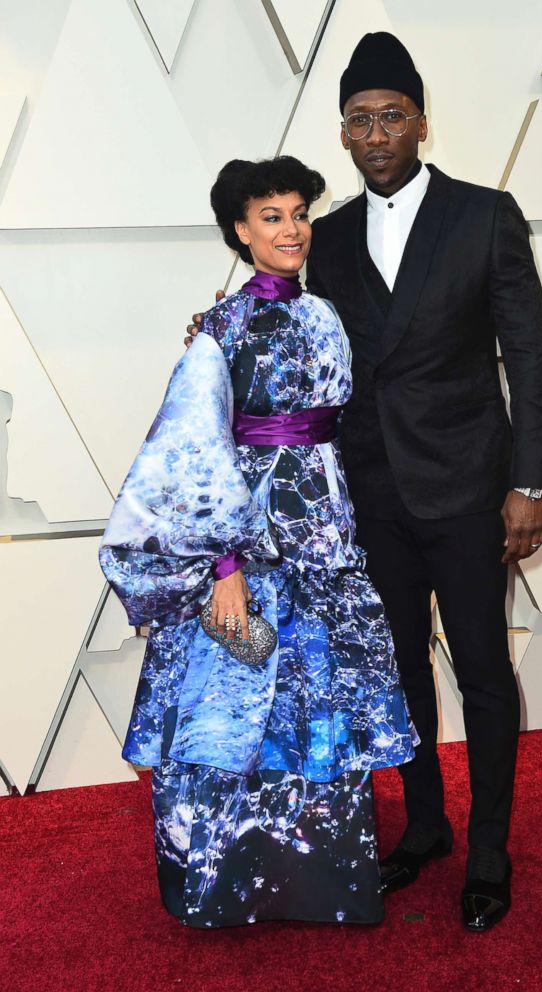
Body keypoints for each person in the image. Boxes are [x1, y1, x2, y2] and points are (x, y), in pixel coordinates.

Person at [187, 33, 542, 933]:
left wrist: (530, 483)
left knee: (482, 672)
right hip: (369, 499)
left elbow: (529, 358)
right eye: (360, 119)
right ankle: (425, 825)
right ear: (344, 135)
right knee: (394, 673)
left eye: (393, 115)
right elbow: (291, 327)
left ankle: (491, 851)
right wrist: (213, 330)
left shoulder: (487, 215)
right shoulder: (328, 234)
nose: (378, 131)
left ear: (421, 123)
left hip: (468, 489)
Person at [100, 155, 417, 928]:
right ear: (240, 232)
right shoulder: (219, 331)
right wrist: (223, 567)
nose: (292, 230)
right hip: (249, 551)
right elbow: (194, 454)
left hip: (323, 543)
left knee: (316, 704)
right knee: (228, 710)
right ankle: (217, 882)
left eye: (299, 213)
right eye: (271, 217)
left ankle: (320, 881)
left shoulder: (323, 315)